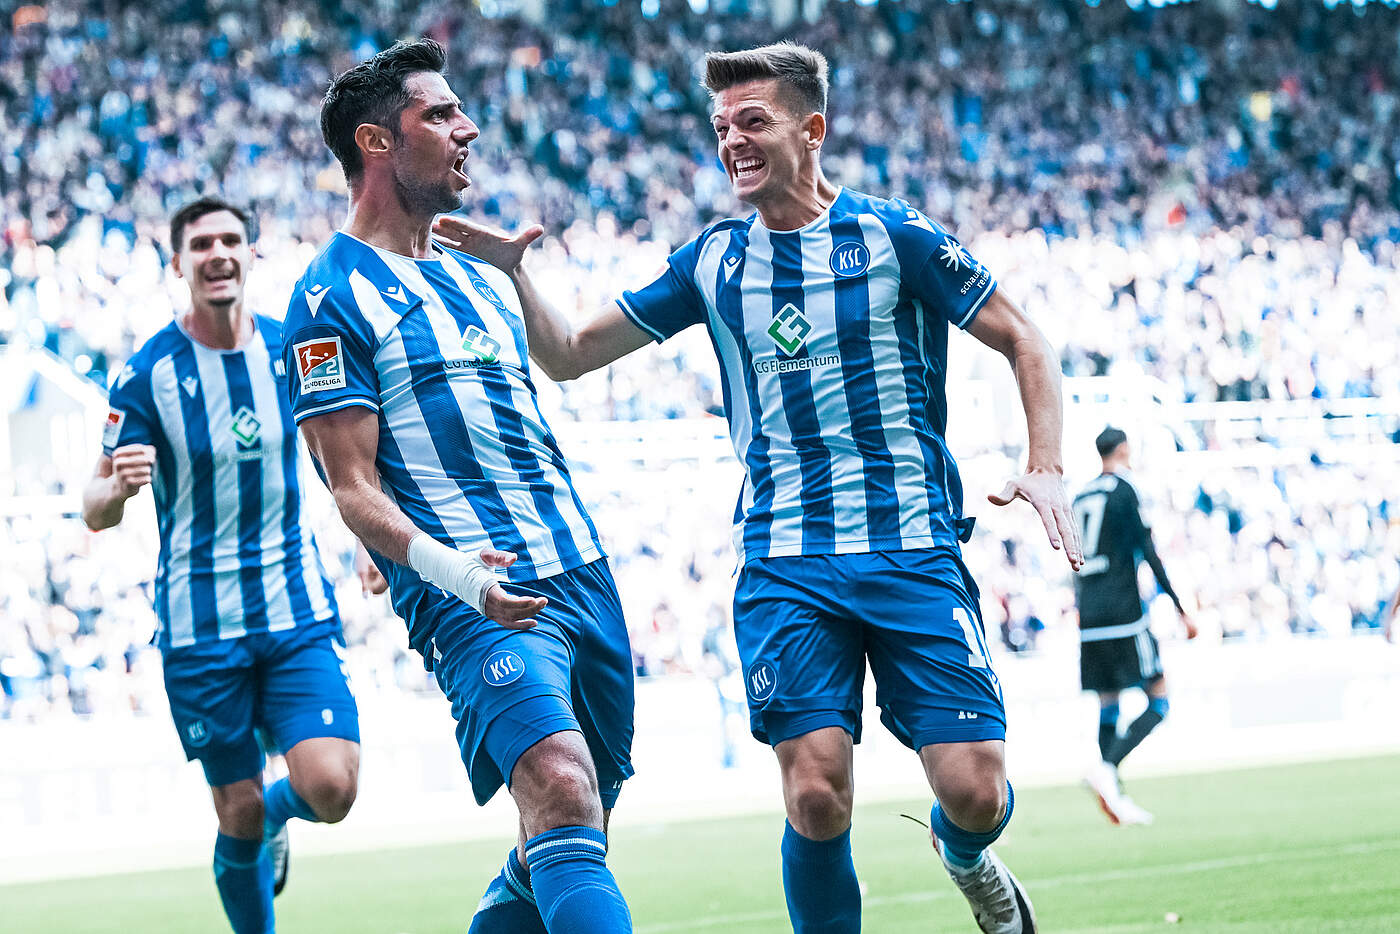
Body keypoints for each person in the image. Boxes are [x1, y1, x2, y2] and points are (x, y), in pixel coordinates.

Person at [436, 41, 1081, 934]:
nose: (732, 141)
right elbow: (571, 355)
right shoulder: (713, 260)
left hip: (911, 546)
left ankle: (965, 852)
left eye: (753, 121)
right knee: (815, 793)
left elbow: (1023, 338)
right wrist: (517, 276)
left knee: (974, 790)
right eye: (721, 127)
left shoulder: (894, 238)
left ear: (811, 130)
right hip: (786, 560)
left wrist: (1045, 466)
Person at [280, 39, 634, 934]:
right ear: (376, 143)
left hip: (581, 571)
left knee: (576, 817)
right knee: (559, 782)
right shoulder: (326, 299)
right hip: (471, 593)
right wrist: (452, 572)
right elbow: (350, 485)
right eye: (439, 115)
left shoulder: (480, 278)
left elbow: (533, 402)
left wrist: (518, 271)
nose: (467, 128)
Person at [82, 196, 361, 934]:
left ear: (250, 254)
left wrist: (371, 542)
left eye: (231, 240)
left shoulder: (296, 349)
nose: (218, 254)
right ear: (179, 264)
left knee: (332, 788)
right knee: (234, 809)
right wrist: (115, 490)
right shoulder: (147, 373)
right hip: (200, 629)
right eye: (201, 244)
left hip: (294, 609)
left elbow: (346, 457)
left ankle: (278, 812)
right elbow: (94, 505)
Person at [1073, 427, 1196, 826]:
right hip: (1124, 614)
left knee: (1108, 702)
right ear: (1124, 449)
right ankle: (1106, 768)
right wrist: (1180, 607)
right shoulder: (1125, 490)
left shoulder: (1081, 495)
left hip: (1090, 616)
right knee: (1159, 700)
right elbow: (1148, 551)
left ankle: (1115, 796)